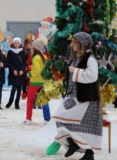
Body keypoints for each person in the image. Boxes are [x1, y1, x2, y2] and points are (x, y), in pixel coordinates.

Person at [52, 32, 102, 160]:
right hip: (72, 96)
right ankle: (73, 142)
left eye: (74, 42)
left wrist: (76, 71)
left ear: (82, 44)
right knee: (60, 118)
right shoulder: (76, 58)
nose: (71, 44)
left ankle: (89, 154)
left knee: (86, 125)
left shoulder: (90, 58)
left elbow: (92, 76)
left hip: (86, 97)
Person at [24, 37, 51, 124]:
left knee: (30, 100)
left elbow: (37, 71)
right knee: (44, 100)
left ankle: (28, 119)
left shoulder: (35, 58)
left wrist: (29, 74)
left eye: (32, 46)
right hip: (43, 81)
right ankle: (47, 119)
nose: (31, 47)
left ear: (35, 48)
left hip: (34, 82)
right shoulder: (44, 57)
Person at [5, 37, 26, 109]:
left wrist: (22, 70)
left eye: (18, 43)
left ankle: (17, 103)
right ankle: (10, 101)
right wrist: (13, 70)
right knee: (13, 88)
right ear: (13, 44)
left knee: (19, 88)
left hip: (20, 73)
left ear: (20, 44)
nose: (17, 44)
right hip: (13, 72)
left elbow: (24, 63)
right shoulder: (10, 52)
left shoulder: (22, 52)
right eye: (15, 43)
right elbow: (9, 62)